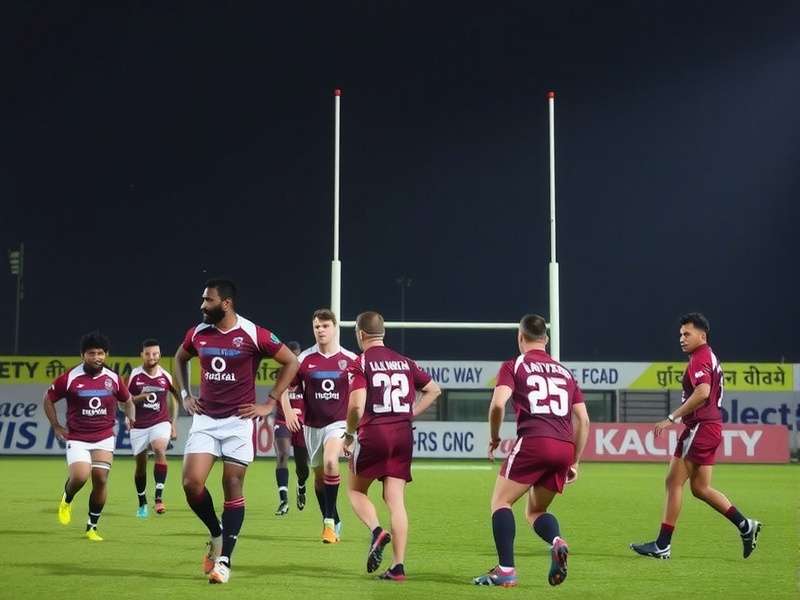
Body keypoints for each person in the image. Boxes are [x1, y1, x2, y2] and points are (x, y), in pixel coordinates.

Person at [174, 279, 299, 584]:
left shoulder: (254, 333)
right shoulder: (198, 333)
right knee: (191, 484)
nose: (203, 305)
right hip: (206, 419)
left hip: (239, 422)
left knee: (232, 482)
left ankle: (225, 560)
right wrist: (186, 395)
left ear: (226, 304)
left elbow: (291, 361)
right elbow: (179, 358)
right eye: (203, 300)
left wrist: (270, 402)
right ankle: (216, 534)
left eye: (208, 300)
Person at [630, 312, 761, 560]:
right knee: (700, 488)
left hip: (701, 427)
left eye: (687, 334)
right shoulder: (705, 356)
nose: (681, 338)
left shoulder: (700, 357)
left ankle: (662, 545)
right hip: (709, 427)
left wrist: (671, 418)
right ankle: (746, 526)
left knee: (673, 483)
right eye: (680, 334)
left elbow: (702, 392)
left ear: (702, 335)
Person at [473, 314, 590, 588]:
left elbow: (498, 405)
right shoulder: (565, 372)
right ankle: (557, 541)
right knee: (535, 510)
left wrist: (493, 437)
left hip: (535, 442)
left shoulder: (514, 365)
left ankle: (506, 570)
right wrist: (575, 461)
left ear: (520, 337)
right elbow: (583, 420)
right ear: (546, 340)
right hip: (563, 446)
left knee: (500, 502)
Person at [343, 311, 441, 581]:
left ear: (361, 334)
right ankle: (398, 567)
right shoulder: (405, 362)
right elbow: (434, 390)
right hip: (402, 435)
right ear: (382, 333)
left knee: (355, 490)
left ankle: (377, 531)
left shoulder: (360, 362)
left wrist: (350, 434)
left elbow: (355, 405)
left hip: (373, 433)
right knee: (395, 500)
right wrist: (409, 413)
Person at [44, 331, 136, 541]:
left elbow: (128, 400)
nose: (97, 357)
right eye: (92, 353)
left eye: (101, 353)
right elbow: (48, 398)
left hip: (104, 436)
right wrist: (57, 426)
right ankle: (67, 499)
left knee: (100, 479)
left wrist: (130, 417)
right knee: (80, 476)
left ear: (106, 354)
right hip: (77, 437)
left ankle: (91, 527)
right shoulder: (70, 378)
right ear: (83, 355)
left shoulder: (112, 378)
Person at [282, 308, 357, 543]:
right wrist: (287, 412)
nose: (321, 330)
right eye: (317, 326)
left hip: (338, 424)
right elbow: (283, 387)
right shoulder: (304, 359)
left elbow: (360, 398)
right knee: (318, 478)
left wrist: (353, 433)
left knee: (331, 462)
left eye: (325, 326)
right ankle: (333, 517)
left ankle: (327, 525)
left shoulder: (351, 360)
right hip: (311, 428)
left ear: (335, 328)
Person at [126, 338, 179, 517]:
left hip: (160, 421)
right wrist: (135, 403)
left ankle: (158, 498)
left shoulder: (166, 376)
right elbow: (123, 401)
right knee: (141, 467)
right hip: (139, 425)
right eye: (148, 354)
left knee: (159, 448)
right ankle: (142, 501)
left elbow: (176, 398)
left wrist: (173, 423)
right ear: (142, 355)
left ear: (160, 355)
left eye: (155, 353)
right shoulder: (134, 375)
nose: (151, 357)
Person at [269, 340, 310, 515]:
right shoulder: (281, 373)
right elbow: (281, 392)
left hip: (302, 423)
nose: (293, 359)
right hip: (282, 420)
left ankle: (301, 486)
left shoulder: (306, 375)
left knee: (303, 468)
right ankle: (284, 500)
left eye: (296, 356)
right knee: (283, 454)